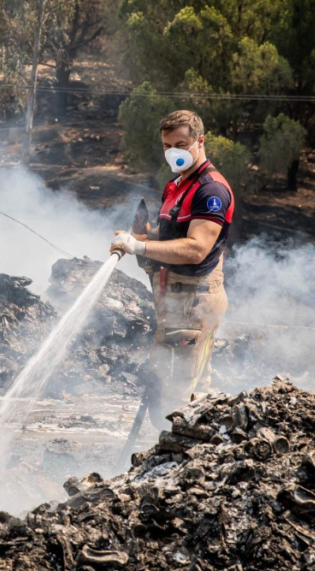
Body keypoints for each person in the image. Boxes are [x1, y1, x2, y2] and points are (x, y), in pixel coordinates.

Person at [110, 110, 234, 424]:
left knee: (181, 395)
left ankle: (185, 460)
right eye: (167, 145)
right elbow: (172, 236)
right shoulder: (177, 185)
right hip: (174, 301)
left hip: (194, 302)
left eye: (180, 144)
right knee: (167, 385)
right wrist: (143, 236)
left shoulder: (211, 191)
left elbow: (195, 249)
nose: (172, 152)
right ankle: (177, 455)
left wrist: (138, 246)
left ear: (200, 141)